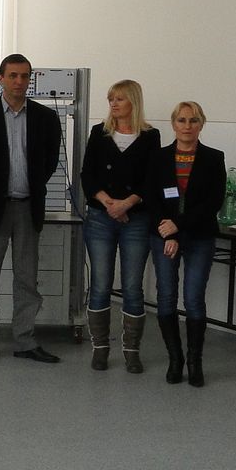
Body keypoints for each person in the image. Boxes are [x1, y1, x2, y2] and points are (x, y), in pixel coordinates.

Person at [0, 53, 63, 365]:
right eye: (13, 75)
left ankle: (25, 340)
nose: (19, 82)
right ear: (1, 78)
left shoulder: (46, 118)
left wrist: (30, 185)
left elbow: (49, 161)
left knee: (27, 279)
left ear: (30, 79)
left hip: (28, 208)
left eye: (24, 76)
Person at [79, 79, 161, 372]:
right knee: (101, 284)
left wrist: (126, 204)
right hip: (101, 218)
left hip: (136, 219)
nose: (113, 104)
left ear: (133, 102)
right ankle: (100, 348)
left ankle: (131, 350)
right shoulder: (99, 133)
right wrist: (110, 204)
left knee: (132, 287)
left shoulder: (150, 136)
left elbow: (152, 179)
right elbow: (88, 175)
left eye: (120, 99)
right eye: (111, 99)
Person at [146, 101, 224, 387]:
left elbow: (213, 202)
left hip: (199, 236)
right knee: (166, 296)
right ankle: (175, 359)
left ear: (201, 124)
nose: (187, 126)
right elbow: (151, 198)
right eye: (182, 120)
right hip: (163, 236)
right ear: (173, 124)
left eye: (193, 120)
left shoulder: (214, 158)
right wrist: (169, 234)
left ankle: (194, 362)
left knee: (193, 298)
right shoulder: (159, 158)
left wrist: (178, 227)